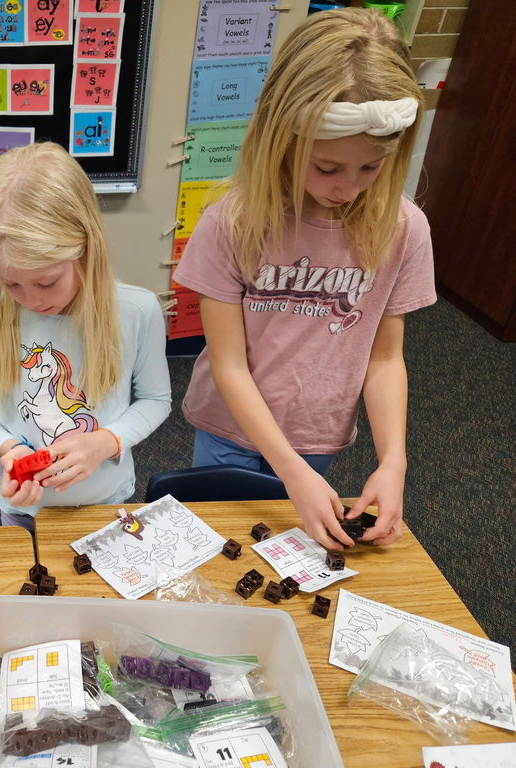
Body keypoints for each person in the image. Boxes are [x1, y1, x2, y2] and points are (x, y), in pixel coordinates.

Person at [174, 8, 435, 550]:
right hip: (230, 429)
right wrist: (289, 471)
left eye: (371, 168)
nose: (348, 188)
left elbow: (386, 359)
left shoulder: (404, 230)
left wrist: (394, 463)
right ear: (281, 141)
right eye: (327, 168)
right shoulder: (233, 222)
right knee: (219, 551)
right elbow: (228, 363)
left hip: (319, 432)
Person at [0, 141, 172, 531]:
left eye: (46, 281)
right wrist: (11, 451)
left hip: (106, 501)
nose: (32, 300)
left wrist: (105, 442)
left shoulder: (137, 310)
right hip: (23, 507)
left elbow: (156, 400)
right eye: (11, 284)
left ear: (86, 249)